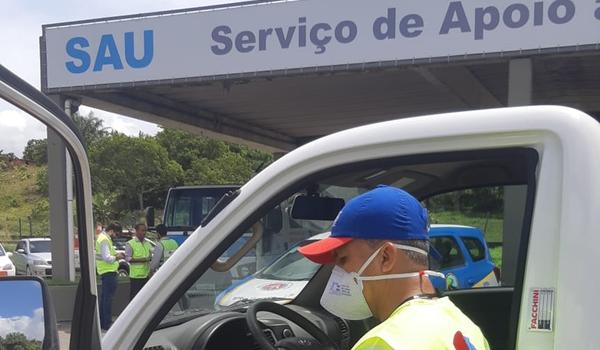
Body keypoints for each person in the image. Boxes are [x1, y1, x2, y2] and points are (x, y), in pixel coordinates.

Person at [298, 185, 490, 350]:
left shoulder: (384, 343)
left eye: (343, 260)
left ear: (386, 257)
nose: (336, 272)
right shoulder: (465, 327)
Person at [95, 222, 124, 331]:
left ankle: (103, 322)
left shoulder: (102, 238)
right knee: (107, 300)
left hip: (105, 272)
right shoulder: (104, 240)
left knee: (105, 299)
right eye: (116, 234)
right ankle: (106, 323)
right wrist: (118, 257)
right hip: (109, 272)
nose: (116, 236)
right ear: (111, 230)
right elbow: (107, 257)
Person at [125, 223, 153, 301]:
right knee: (135, 298)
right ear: (136, 231)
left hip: (146, 275)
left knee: (145, 298)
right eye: (142, 230)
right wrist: (142, 260)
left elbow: (152, 254)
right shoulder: (130, 243)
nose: (144, 232)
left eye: (145, 231)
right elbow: (127, 258)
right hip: (136, 277)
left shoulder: (147, 243)